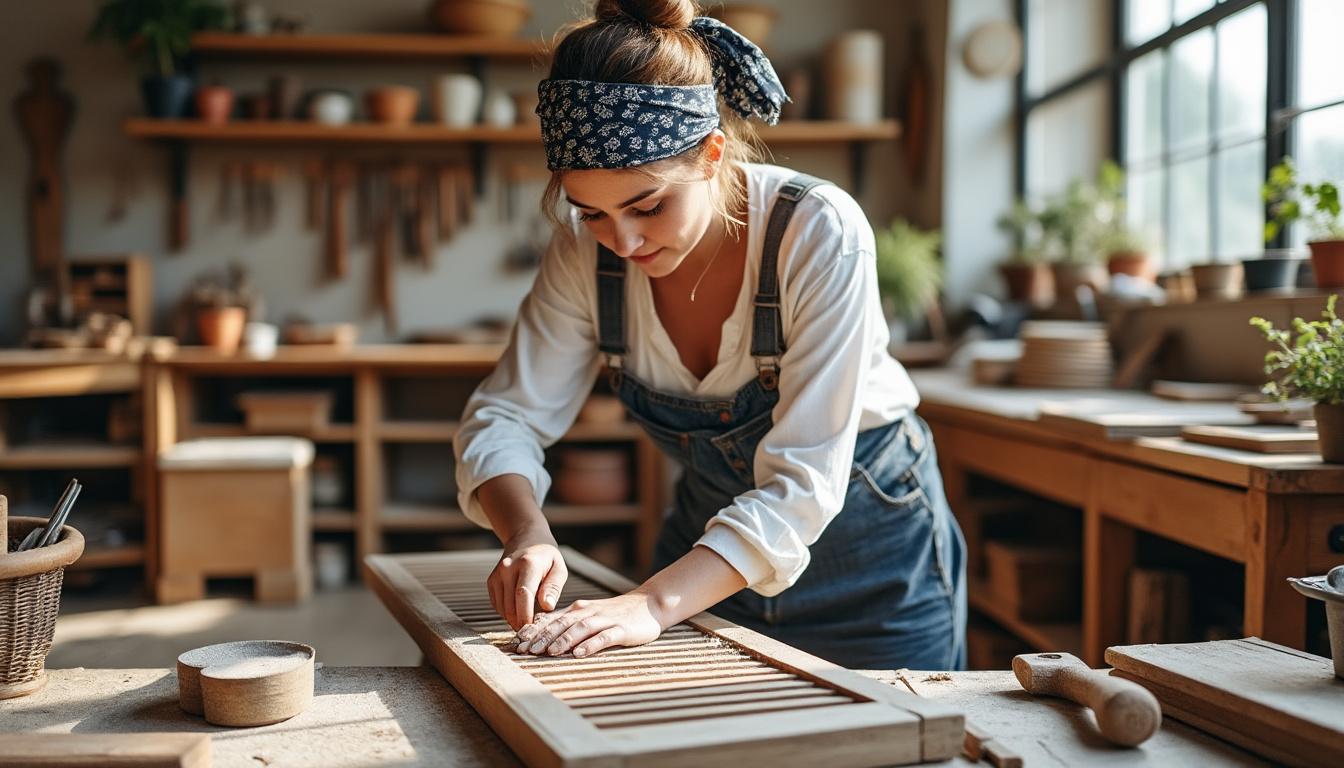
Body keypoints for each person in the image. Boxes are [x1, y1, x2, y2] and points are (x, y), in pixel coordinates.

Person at [453, 0, 966, 670]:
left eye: (648, 205)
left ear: (711, 153)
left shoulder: (817, 232)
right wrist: (526, 531)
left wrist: (653, 605)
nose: (623, 240)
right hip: (704, 561)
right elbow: (506, 416)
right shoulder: (585, 251)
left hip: (873, 569)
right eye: (592, 212)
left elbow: (804, 483)